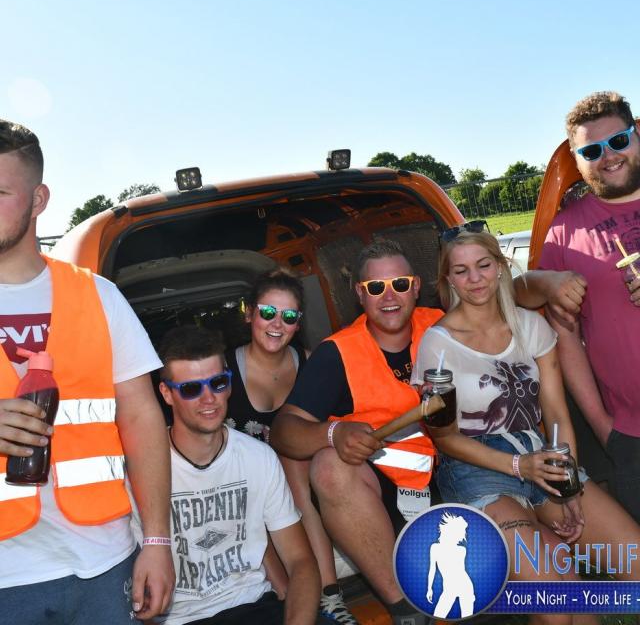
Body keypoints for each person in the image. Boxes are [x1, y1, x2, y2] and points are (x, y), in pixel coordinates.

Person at [271, 237, 582, 625]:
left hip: (467, 471)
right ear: (360, 294)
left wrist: (551, 283)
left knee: (563, 589)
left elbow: (504, 290)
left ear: (416, 286)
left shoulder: (443, 324)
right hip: (387, 496)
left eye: (400, 284)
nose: (390, 296)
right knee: (329, 467)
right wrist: (334, 434)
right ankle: (405, 606)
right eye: (376, 287)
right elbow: (284, 430)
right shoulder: (337, 353)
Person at [412, 228, 640, 625]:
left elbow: (556, 414)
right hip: (476, 469)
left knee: (633, 565)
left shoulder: (531, 326)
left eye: (484, 265)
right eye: (461, 271)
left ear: (500, 267)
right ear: (448, 280)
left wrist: (568, 485)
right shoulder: (438, 345)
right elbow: (444, 438)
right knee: (556, 603)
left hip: (541, 458)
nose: (475, 278)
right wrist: (520, 467)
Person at [0, 119, 174, 623]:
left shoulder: (99, 296)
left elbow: (141, 418)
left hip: (104, 565)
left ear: (39, 200)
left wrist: (157, 541)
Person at [142, 324, 328, 625]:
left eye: (217, 383)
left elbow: (301, 562)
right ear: (167, 394)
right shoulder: (141, 468)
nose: (208, 399)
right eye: (190, 389)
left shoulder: (258, 458)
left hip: (256, 606)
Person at [225, 268, 356, 624]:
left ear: (298, 324)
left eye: (289, 316)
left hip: (299, 484)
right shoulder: (222, 371)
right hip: (241, 488)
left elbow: (338, 423)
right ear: (249, 313)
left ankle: (330, 596)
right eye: (268, 312)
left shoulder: (311, 363)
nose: (277, 324)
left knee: (292, 461)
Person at [538, 91, 640, 523]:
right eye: (591, 151)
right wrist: (602, 425)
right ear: (577, 161)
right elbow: (563, 336)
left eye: (618, 141)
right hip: (631, 436)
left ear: (636, 136)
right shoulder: (563, 233)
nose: (608, 156)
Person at [425, 512, 474, 619]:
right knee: (438, 615)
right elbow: (432, 569)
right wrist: (429, 588)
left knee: (468, 619)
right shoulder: (435, 548)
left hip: (465, 586)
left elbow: (460, 571)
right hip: (449, 588)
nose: (462, 535)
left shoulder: (462, 550)